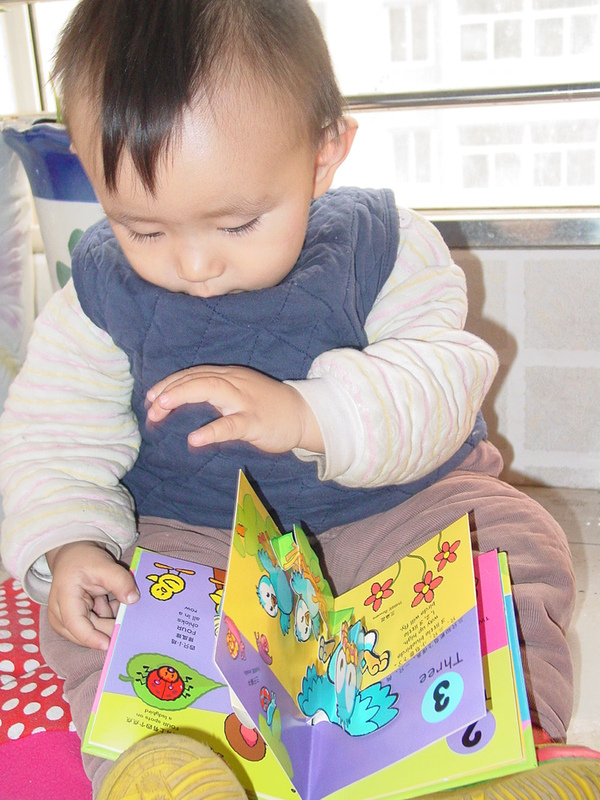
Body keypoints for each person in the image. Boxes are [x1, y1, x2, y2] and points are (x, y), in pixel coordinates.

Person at [0, 1, 597, 799]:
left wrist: (311, 415)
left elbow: (441, 381)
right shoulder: (97, 296)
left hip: (402, 509)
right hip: (200, 540)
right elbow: (50, 436)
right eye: (144, 229)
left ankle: (493, 759)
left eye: (238, 223)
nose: (194, 264)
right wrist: (69, 541)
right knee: (102, 618)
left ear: (323, 154)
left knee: (515, 548)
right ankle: (171, 769)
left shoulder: (384, 247)